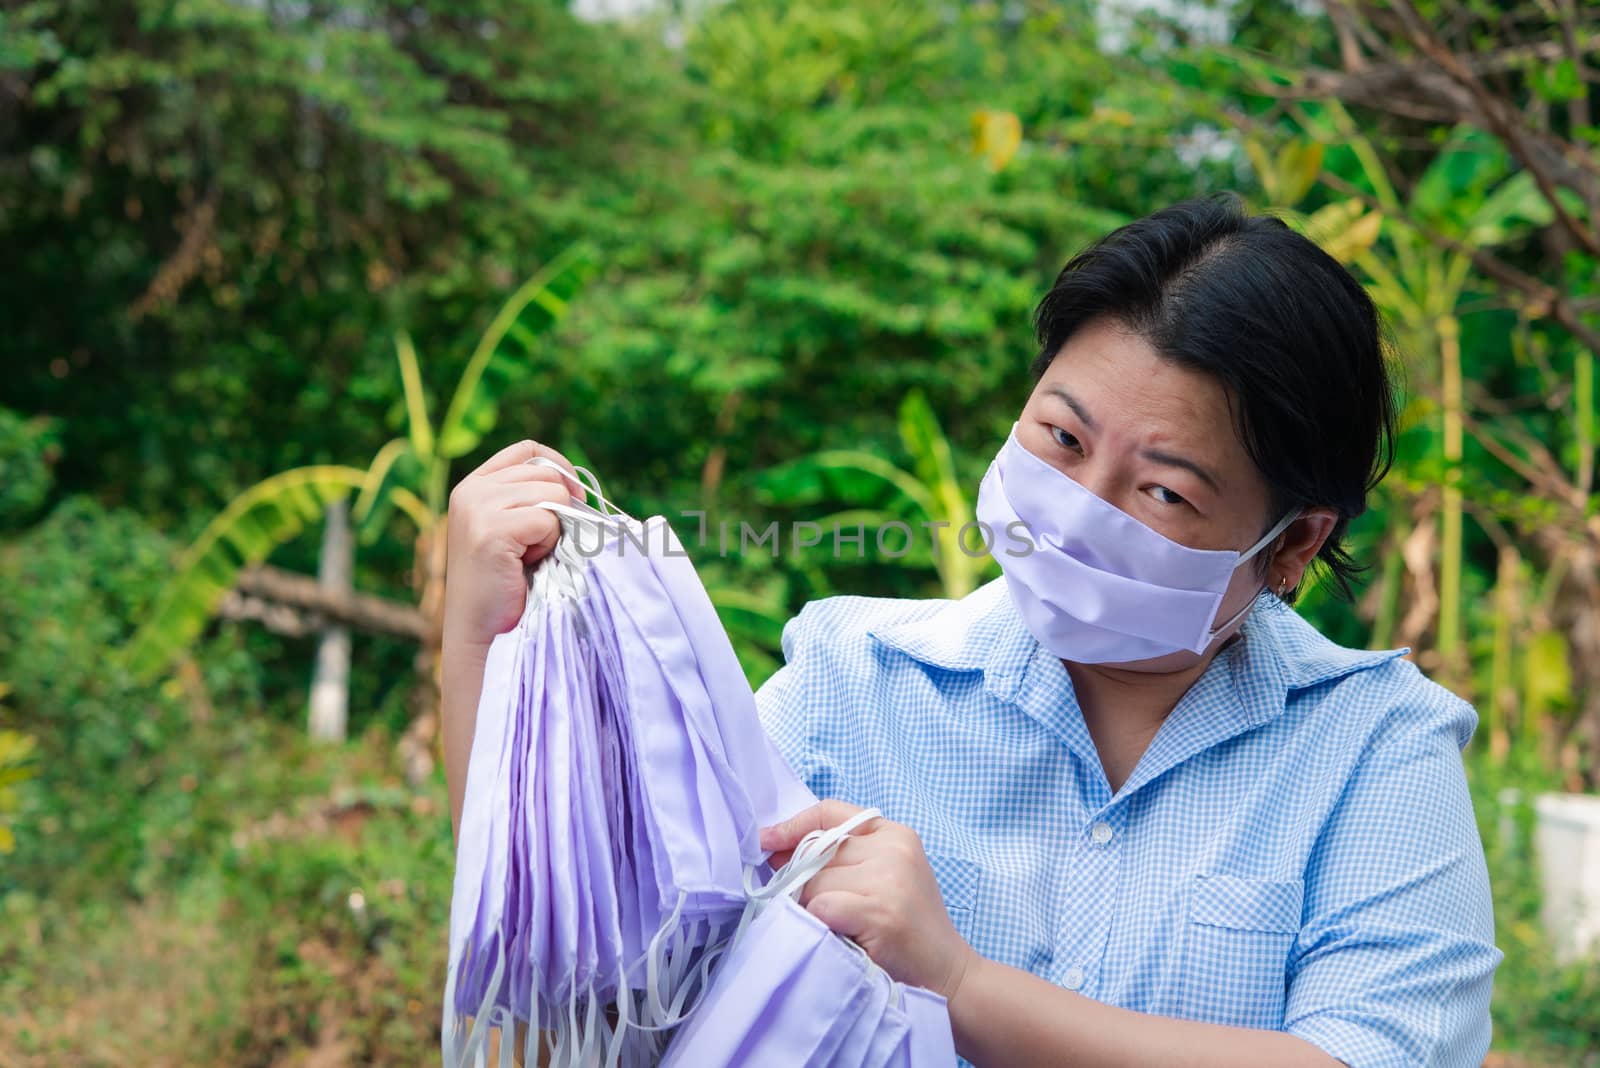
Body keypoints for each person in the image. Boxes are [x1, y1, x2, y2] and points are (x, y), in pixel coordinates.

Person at [440, 195, 1501, 1067]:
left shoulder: (1375, 747)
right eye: (1061, 436)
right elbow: (585, 1002)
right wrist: (478, 650)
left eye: (1164, 493)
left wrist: (960, 983)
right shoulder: (846, 682)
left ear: (1292, 543)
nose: (1082, 503)